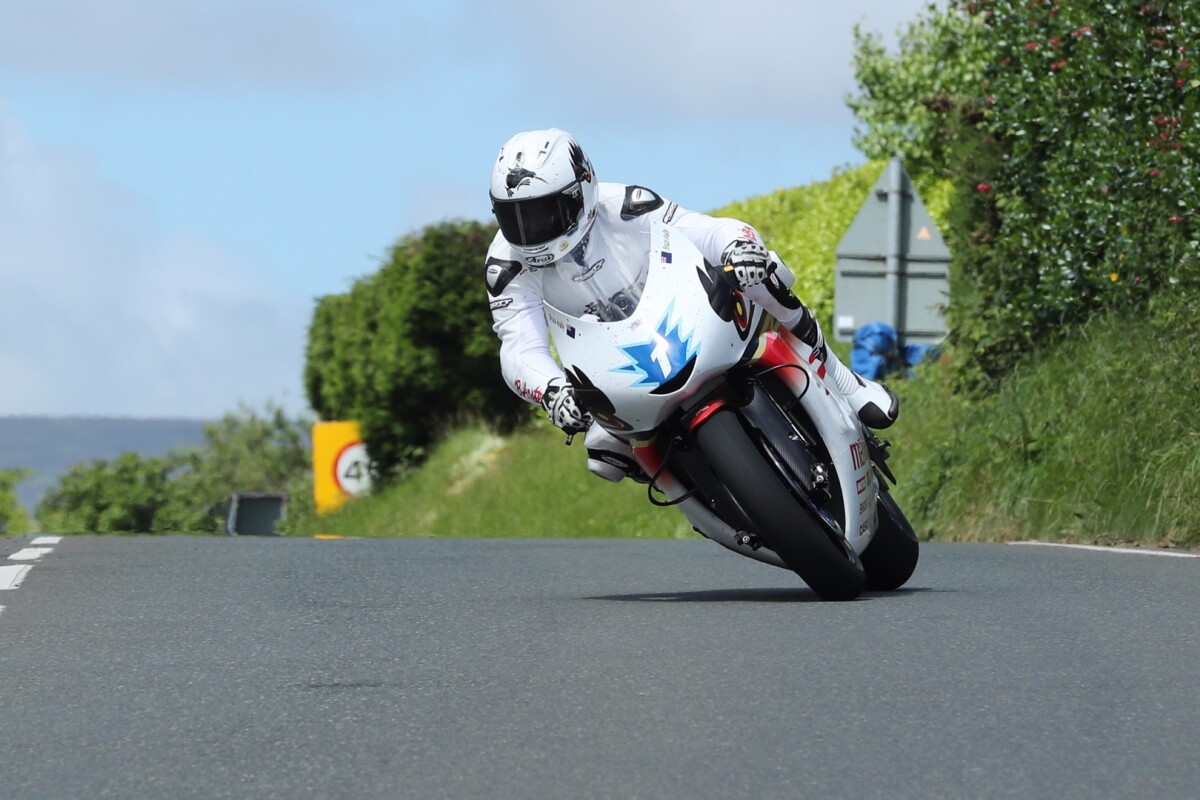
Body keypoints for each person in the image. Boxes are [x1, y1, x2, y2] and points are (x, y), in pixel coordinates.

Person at [484, 128, 898, 482]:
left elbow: (710, 231)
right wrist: (551, 391)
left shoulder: (626, 204)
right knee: (604, 456)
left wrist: (740, 248)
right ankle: (691, 489)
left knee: (762, 270)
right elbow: (519, 348)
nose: (530, 231)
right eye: (514, 217)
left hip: (678, 312)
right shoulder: (506, 265)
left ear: (583, 189)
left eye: (543, 214)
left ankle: (843, 381)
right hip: (604, 365)